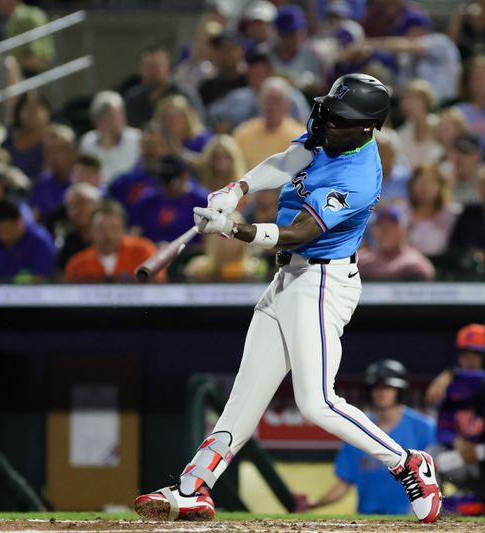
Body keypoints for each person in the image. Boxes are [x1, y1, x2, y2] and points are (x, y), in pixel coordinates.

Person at [134, 74, 443, 525]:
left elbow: (300, 232)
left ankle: (407, 462)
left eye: (340, 117)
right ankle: (193, 487)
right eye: (330, 111)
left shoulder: (357, 175)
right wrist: (236, 189)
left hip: (321, 282)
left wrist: (233, 229)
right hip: (289, 278)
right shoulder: (332, 136)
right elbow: (290, 157)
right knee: (243, 396)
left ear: (366, 128)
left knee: (316, 402)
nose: (327, 120)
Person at [305, 360, 437, 515]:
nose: (381, 393)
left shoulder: (425, 428)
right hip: (367, 519)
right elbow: (343, 484)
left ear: (400, 391)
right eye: (376, 388)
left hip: (410, 518)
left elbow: (437, 476)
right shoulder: (356, 429)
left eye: (387, 387)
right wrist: (313, 504)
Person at [425, 324, 485, 512]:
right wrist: (456, 441)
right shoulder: (451, 388)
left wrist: (451, 373)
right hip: (462, 457)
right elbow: (443, 428)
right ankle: (431, 510)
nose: (469, 359)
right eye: (464, 353)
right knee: (430, 457)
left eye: (475, 354)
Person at [207, 45, 311, 133]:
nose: (254, 79)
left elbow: (304, 125)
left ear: (270, 72)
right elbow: (213, 116)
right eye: (250, 75)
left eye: (258, 74)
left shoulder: (290, 96)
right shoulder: (238, 97)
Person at [64, 199, 161, 283]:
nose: (107, 234)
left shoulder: (144, 252)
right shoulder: (77, 264)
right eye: (101, 228)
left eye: (113, 228)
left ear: (123, 230)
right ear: (90, 232)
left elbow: (159, 288)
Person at [128, 154, 208, 244]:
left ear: (185, 177)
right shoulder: (147, 200)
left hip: (187, 254)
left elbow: (208, 242)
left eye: (172, 183)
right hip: (152, 252)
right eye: (163, 182)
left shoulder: (202, 202)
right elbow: (134, 233)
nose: (167, 188)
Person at [232, 77, 307, 169]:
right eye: (268, 101)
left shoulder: (300, 136)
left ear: (287, 105)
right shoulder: (243, 132)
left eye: (277, 101)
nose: (272, 107)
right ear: (260, 102)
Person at [123, 45, 203, 129]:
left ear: (168, 68)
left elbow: (199, 126)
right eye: (147, 66)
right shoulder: (133, 98)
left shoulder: (184, 95)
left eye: (155, 66)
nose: (151, 72)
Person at [0, 0, 55, 76]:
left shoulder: (32, 17)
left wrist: (0, 63)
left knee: (8, 65)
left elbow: (40, 59)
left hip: (21, 76)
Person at [79, 91, 141, 186]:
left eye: (115, 115)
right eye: (105, 117)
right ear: (96, 121)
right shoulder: (87, 141)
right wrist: (105, 146)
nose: (112, 121)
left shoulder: (137, 138)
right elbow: (90, 175)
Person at [358, 204, 436, 280]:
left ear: (404, 230)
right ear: (374, 232)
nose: (385, 231)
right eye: (381, 226)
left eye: (391, 226)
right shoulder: (362, 261)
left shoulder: (415, 264)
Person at [406, 164, 461, 258]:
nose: (424, 187)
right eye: (420, 181)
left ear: (440, 186)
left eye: (430, 182)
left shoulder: (453, 213)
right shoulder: (402, 213)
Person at [30, 124, 77, 221]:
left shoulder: (85, 179)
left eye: (59, 149)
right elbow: (34, 217)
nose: (53, 155)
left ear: (72, 151)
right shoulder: (42, 183)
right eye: (49, 150)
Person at [1, 91, 50, 181]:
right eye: (28, 107)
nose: (33, 111)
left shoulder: (54, 140)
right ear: (19, 111)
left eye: (38, 106)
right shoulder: (9, 137)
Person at [53, 182, 101, 270]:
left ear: (96, 206)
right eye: (71, 207)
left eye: (81, 204)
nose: (76, 211)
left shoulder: (108, 237)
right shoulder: (70, 241)